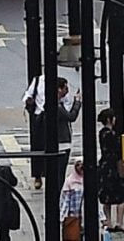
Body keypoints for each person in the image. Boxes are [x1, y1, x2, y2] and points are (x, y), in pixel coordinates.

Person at [26, 74, 78, 205]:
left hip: (57, 143)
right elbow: (71, 117)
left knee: (56, 173)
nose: (67, 91)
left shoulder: (52, 104)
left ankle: (56, 199)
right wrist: (78, 102)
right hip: (61, 144)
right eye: (66, 88)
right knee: (59, 175)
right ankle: (57, 200)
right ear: (59, 89)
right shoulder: (55, 106)